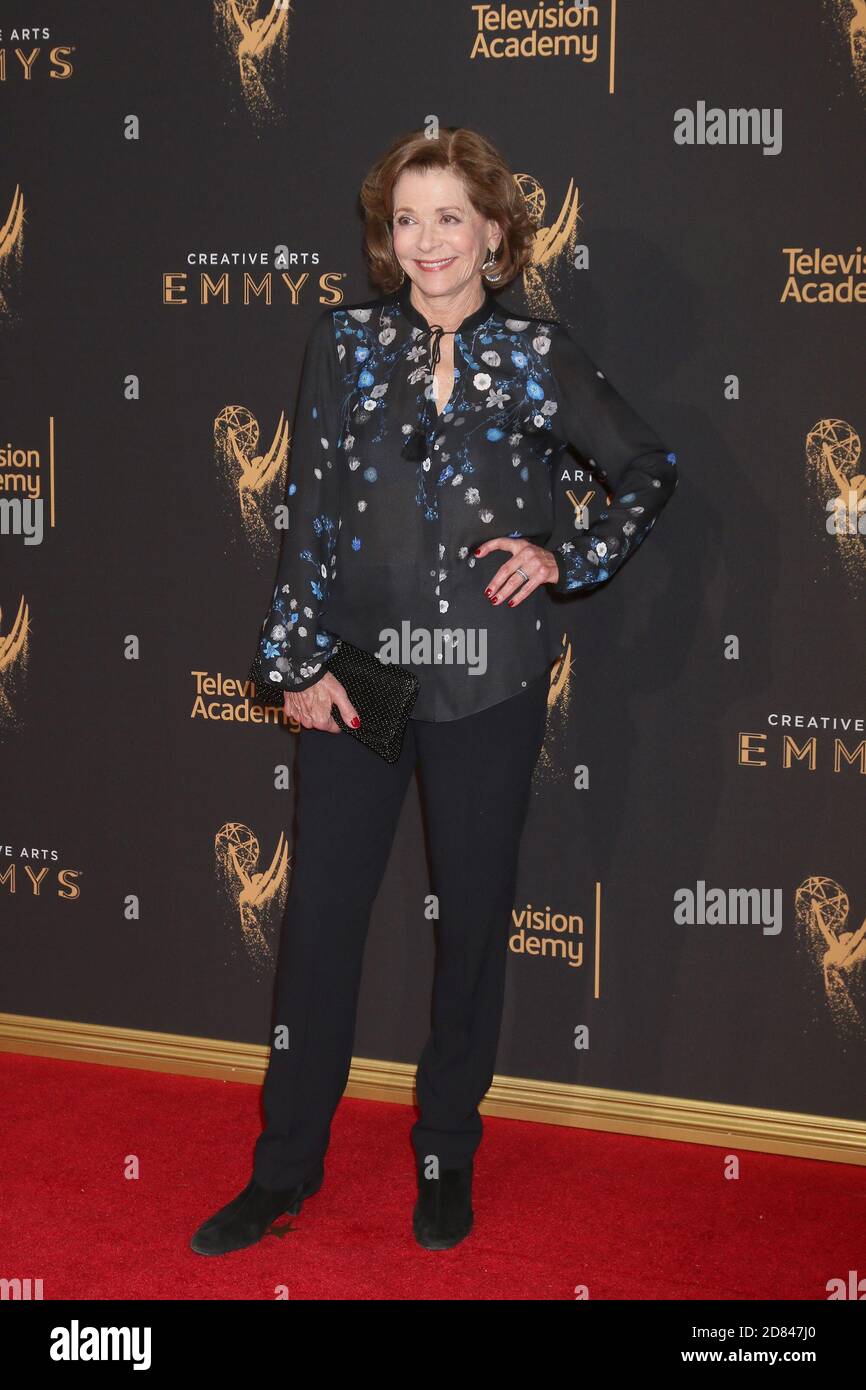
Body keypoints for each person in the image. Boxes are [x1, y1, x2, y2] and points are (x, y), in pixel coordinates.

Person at [190, 125, 678, 1257]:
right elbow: (305, 506)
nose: (424, 242)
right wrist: (295, 664)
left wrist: (568, 556)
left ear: (494, 233)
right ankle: (281, 1172)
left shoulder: (537, 355)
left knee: (470, 928)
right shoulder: (345, 344)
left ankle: (445, 1152)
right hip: (358, 676)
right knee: (317, 926)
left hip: (486, 678)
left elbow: (647, 468)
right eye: (404, 220)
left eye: (447, 217)